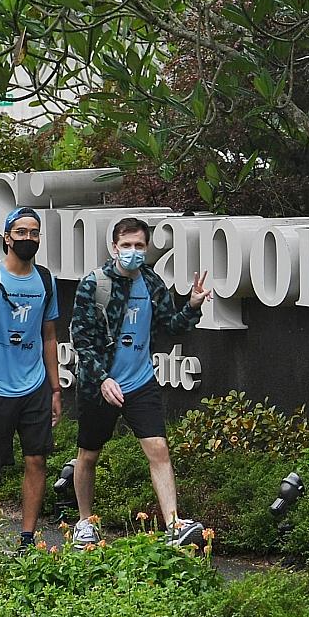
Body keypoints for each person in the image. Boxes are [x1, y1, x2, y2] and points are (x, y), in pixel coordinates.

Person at [68, 217, 211, 549]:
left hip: (140, 381)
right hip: (99, 385)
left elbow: (170, 324)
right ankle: (84, 522)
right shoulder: (94, 284)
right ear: (114, 247)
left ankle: (174, 525)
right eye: (127, 245)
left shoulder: (151, 282)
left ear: (147, 249)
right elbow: (81, 340)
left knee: (158, 448)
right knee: (88, 455)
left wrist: (191, 305)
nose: (133, 252)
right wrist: (102, 379)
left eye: (139, 246)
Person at [0, 207, 62, 548]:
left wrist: (55, 388)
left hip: (34, 385)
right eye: (20, 233)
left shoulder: (46, 281)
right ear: (7, 237)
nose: (28, 239)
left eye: (34, 233)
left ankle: (26, 538)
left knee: (36, 459)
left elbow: (49, 337)